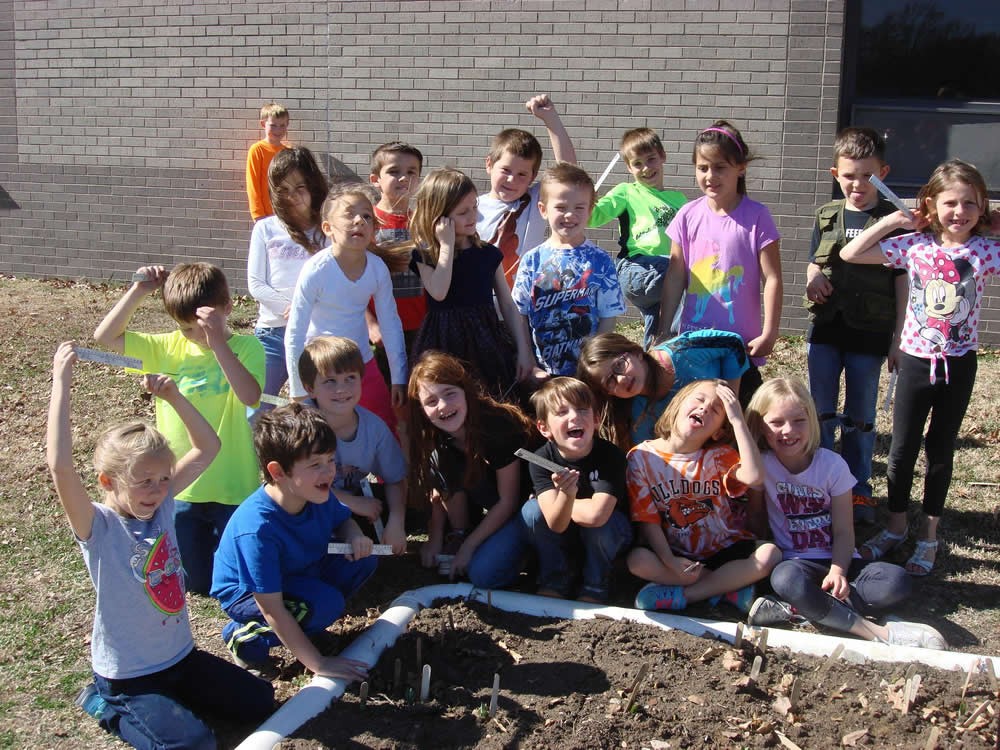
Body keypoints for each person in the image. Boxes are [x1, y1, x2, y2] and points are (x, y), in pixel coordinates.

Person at [47, 342, 274, 750]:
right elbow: (61, 467)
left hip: (181, 659)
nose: (157, 490)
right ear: (108, 482)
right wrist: (62, 383)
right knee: (195, 745)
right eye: (144, 481)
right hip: (130, 678)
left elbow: (208, 447)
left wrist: (174, 396)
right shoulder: (97, 525)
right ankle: (107, 707)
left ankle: (172, 704)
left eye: (163, 479)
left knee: (260, 701)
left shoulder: (164, 507)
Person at [840, 159, 1000, 576]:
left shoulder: (984, 250)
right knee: (901, 451)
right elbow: (850, 252)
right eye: (950, 203)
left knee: (940, 452)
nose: (960, 212)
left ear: (981, 207)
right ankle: (895, 527)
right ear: (931, 204)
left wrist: (996, 221)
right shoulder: (914, 245)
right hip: (914, 362)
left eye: (970, 204)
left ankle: (928, 535)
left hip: (958, 365)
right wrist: (896, 219)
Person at [93, 262, 265, 594]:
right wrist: (139, 290)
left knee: (242, 577)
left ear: (227, 309)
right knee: (195, 583)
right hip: (182, 486)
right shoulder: (167, 347)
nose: (195, 335)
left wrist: (218, 343)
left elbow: (250, 395)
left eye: (202, 326)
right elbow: (105, 336)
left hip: (234, 482)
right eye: (186, 328)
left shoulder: (247, 348)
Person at [743, 377, 946, 649]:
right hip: (795, 563)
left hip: (841, 561)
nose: (788, 430)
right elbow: (756, 520)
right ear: (761, 427)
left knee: (896, 582)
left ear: (812, 421)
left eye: (799, 420)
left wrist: (839, 570)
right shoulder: (761, 467)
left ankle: (803, 608)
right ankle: (870, 629)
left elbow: (843, 530)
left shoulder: (832, 465)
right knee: (785, 579)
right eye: (776, 422)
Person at [211, 403, 377, 676]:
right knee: (325, 605)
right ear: (277, 472)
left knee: (363, 559)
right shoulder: (258, 530)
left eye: (330, 460)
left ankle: (308, 623)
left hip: (297, 571)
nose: (328, 472)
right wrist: (319, 664)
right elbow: (272, 608)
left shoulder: (316, 492)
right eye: (315, 464)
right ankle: (245, 637)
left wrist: (355, 535)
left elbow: (342, 519)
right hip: (250, 594)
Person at [804, 127, 908, 524]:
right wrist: (812, 276)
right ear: (835, 173)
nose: (857, 183)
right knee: (822, 411)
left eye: (867, 175)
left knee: (861, 416)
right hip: (827, 330)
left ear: (884, 171)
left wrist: (898, 337)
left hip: (870, 332)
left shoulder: (893, 220)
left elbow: (903, 281)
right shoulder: (827, 215)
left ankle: (858, 488)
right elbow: (816, 259)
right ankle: (821, 482)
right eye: (849, 175)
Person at [626, 379, 781, 612]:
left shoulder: (718, 456)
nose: (705, 407)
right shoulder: (641, 457)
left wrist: (738, 420)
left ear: (718, 431)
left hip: (723, 549)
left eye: (717, 410)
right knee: (637, 560)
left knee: (770, 554)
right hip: (677, 554)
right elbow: (647, 520)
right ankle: (727, 589)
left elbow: (754, 477)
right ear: (677, 404)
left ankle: (686, 596)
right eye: (699, 399)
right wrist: (670, 561)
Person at [657, 120, 783, 405]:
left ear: (741, 168)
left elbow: (772, 278)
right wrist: (664, 329)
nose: (710, 176)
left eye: (720, 167)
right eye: (703, 168)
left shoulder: (757, 217)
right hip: (694, 341)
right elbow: (676, 275)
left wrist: (770, 332)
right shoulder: (688, 215)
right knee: (698, 414)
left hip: (741, 345)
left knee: (740, 419)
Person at [284, 183, 406, 435]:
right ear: (328, 227)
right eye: (349, 214)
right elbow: (295, 331)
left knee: (386, 428)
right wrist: (298, 390)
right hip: (320, 367)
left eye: (366, 216)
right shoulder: (316, 270)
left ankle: (393, 476)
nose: (359, 220)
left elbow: (391, 325)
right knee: (323, 436)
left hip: (363, 363)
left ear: (374, 229)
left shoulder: (377, 268)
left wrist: (399, 377)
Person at [408, 351, 535, 588]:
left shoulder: (498, 427)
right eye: (431, 401)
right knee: (439, 459)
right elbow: (439, 489)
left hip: (525, 507)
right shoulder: (436, 436)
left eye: (449, 394)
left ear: (466, 391)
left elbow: (508, 502)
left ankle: (526, 553)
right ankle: (461, 532)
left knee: (482, 574)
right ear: (421, 409)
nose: (443, 406)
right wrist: (435, 538)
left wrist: (469, 548)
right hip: (488, 501)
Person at [408, 167, 536, 398]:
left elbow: (507, 304)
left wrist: (523, 350)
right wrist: (445, 246)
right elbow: (438, 291)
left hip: (485, 340)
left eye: (474, 207)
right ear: (440, 217)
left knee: (490, 397)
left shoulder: (488, 254)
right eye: (463, 212)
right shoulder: (425, 255)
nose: (473, 217)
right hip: (443, 342)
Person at [520, 377, 632, 603]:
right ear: (544, 428)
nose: (574, 417)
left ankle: (596, 583)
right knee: (531, 511)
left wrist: (559, 501)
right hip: (566, 531)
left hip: (611, 531)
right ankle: (556, 578)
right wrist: (567, 497)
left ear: (596, 419)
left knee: (601, 526)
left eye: (582, 410)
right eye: (561, 412)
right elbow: (555, 523)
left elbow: (596, 516)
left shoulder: (611, 455)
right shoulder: (539, 458)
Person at [512, 163, 626, 377]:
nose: (570, 215)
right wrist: (524, 355)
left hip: (585, 372)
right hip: (541, 371)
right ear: (543, 210)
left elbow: (608, 317)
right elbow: (520, 313)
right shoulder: (532, 260)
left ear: (591, 210)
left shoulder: (600, 261)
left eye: (579, 208)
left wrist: (597, 363)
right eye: (561, 207)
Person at [299, 336, 408, 554]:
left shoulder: (374, 427)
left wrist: (397, 521)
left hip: (351, 499)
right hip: (307, 505)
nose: (342, 389)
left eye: (350, 378)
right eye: (330, 381)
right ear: (310, 389)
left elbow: (396, 479)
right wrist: (350, 502)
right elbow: (296, 486)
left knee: (408, 509)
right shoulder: (299, 427)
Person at [247, 147, 330, 418]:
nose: (292, 196)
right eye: (283, 190)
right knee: (255, 409)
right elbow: (256, 283)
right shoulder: (265, 228)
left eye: (300, 187)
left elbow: (333, 283)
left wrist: (303, 310)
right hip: (272, 333)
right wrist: (292, 306)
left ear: (314, 185)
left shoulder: (328, 229)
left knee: (318, 410)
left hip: (316, 335)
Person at [588, 127, 687, 347]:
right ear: (629, 167)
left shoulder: (679, 200)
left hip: (667, 272)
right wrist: (586, 201)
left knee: (662, 323)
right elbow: (592, 218)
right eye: (637, 163)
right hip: (637, 268)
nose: (645, 168)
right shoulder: (626, 192)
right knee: (685, 282)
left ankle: (655, 361)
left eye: (651, 159)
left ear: (662, 156)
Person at [577, 329, 748, 450]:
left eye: (620, 365)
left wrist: (730, 400)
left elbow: (733, 343)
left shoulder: (683, 351)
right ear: (607, 393)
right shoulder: (636, 418)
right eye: (609, 381)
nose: (621, 379)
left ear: (636, 352)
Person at [477, 94, 577, 287]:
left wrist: (551, 119)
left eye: (522, 174)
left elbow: (568, 170)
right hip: (482, 304)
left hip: (524, 304)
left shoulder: (535, 201)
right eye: (505, 170)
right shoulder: (471, 206)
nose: (511, 179)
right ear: (489, 164)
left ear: (533, 177)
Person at [367, 141, 427, 381]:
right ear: (375, 179)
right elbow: (348, 279)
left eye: (411, 172)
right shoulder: (366, 221)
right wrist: (370, 324)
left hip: (419, 329)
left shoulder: (422, 223)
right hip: (380, 332)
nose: (403, 178)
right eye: (394, 171)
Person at [246, 102, 289, 222]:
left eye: (282, 125)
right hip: (266, 216)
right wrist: (257, 214)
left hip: (286, 215)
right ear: (263, 124)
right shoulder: (257, 150)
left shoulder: (288, 151)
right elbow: (253, 184)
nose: (278, 130)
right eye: (273, 125)